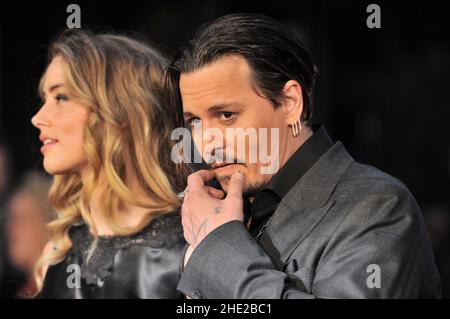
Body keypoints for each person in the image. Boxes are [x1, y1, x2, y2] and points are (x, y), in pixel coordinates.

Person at [167, 13, 441, 298]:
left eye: (226, 115)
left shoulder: (378, 207)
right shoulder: (207, 212)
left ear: (290, 103)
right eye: (194, 122)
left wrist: (218, 248)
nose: (206, 143)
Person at [31, 29, 187, 298]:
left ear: (121, 110)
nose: (38, 118)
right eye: (45, 99)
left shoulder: (189, 252)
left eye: (61, 98)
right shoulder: (57, 253)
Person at [5, 171, 54, 298]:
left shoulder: (63, 287)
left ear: (45, 222)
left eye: (20, 219)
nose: (10, 229)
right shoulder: (24, 290)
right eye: (10, 220)